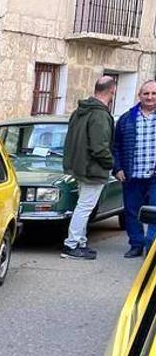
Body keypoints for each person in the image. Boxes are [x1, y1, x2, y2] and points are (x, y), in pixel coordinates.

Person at [60, 75, 117, 260]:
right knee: (85, 207)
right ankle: (72, 244)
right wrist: (111, 164)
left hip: (79, 166)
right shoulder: (100, 114)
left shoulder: (81, 110)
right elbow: (99, 147)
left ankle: (80, 241)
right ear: (112, 90)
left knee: (83, 206)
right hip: (93, 169)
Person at [112, 79, 156, 257]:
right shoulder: (127, 119)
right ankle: (136, 244)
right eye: (146, 93)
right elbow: (116, 146)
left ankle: (151, 246)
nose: (150, 97)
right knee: (132, 212)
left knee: (154, 212)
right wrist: (118, 168)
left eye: (154, 93)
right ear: (140, 96)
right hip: (132, 175)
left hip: (154, 176)